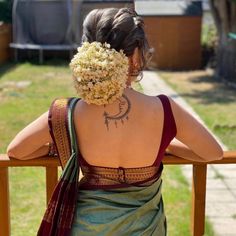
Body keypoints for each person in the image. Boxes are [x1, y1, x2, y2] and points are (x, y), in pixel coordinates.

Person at [7, 7, 223, 236]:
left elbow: (16, 150)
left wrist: (63, 147)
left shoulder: (69, 110)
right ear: (136, 55)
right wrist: (166, 145)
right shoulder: (164, 109)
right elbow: (213, 153)